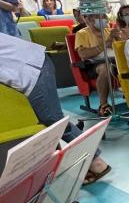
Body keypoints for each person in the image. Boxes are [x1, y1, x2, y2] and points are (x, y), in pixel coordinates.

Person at [0, 33, 112, 185]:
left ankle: (96, 161)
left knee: (52, 119)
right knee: (45, 121)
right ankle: (59, 167)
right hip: (31, 66)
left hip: (33, 69)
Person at [75, 13, 123, 116]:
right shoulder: (82, 33)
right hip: (94, 64)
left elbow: (122, 49)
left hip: (114, 60)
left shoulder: (109, 31)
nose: (104, 19)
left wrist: (118, 38)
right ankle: (103, 105)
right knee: (105, 68)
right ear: (90, 20)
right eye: (99, 17)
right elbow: (83, 54)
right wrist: (104, 45)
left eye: (105, 16)